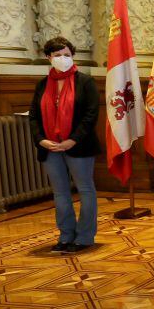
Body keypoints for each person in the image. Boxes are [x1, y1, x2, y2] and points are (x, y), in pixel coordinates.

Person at [28, 36, 102, 254]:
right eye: (58, 55)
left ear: (73, 56)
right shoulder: (42, 85)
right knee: (60, 193)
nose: (63, 59)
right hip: (49, 146)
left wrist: (72, 140)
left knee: (85, 189)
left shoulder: (85, 82)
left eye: (67, 55)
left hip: (78, 145)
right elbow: (33, 116)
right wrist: (41, 139)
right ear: (48, 57)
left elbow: (91, 115)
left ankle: (85, 237)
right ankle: (66, 235)